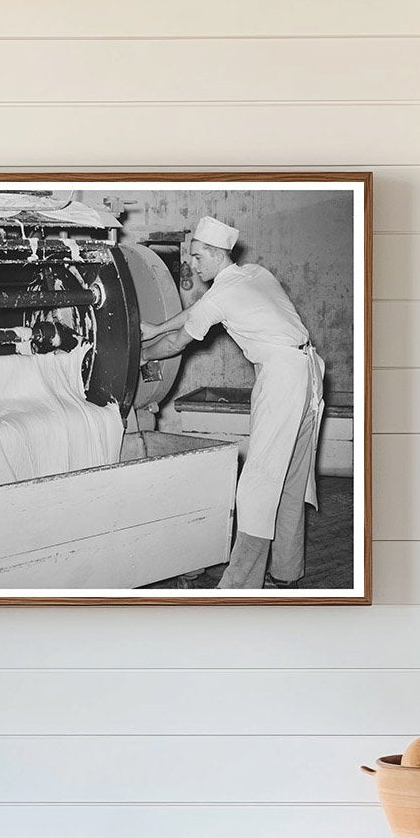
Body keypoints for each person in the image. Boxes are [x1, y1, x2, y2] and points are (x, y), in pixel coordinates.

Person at [141, 216, 325, 589]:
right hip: (309, 371)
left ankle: (239, 586)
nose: (191, 263)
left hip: (283, 378)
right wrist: (157, 328)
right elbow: (197, 312)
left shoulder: (221, 295)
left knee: (258, 482)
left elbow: (180, 342)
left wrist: (142, 354)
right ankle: (286, 572)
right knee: (291, 475)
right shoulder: (254, 273)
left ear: (213, 254)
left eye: (196, 256)